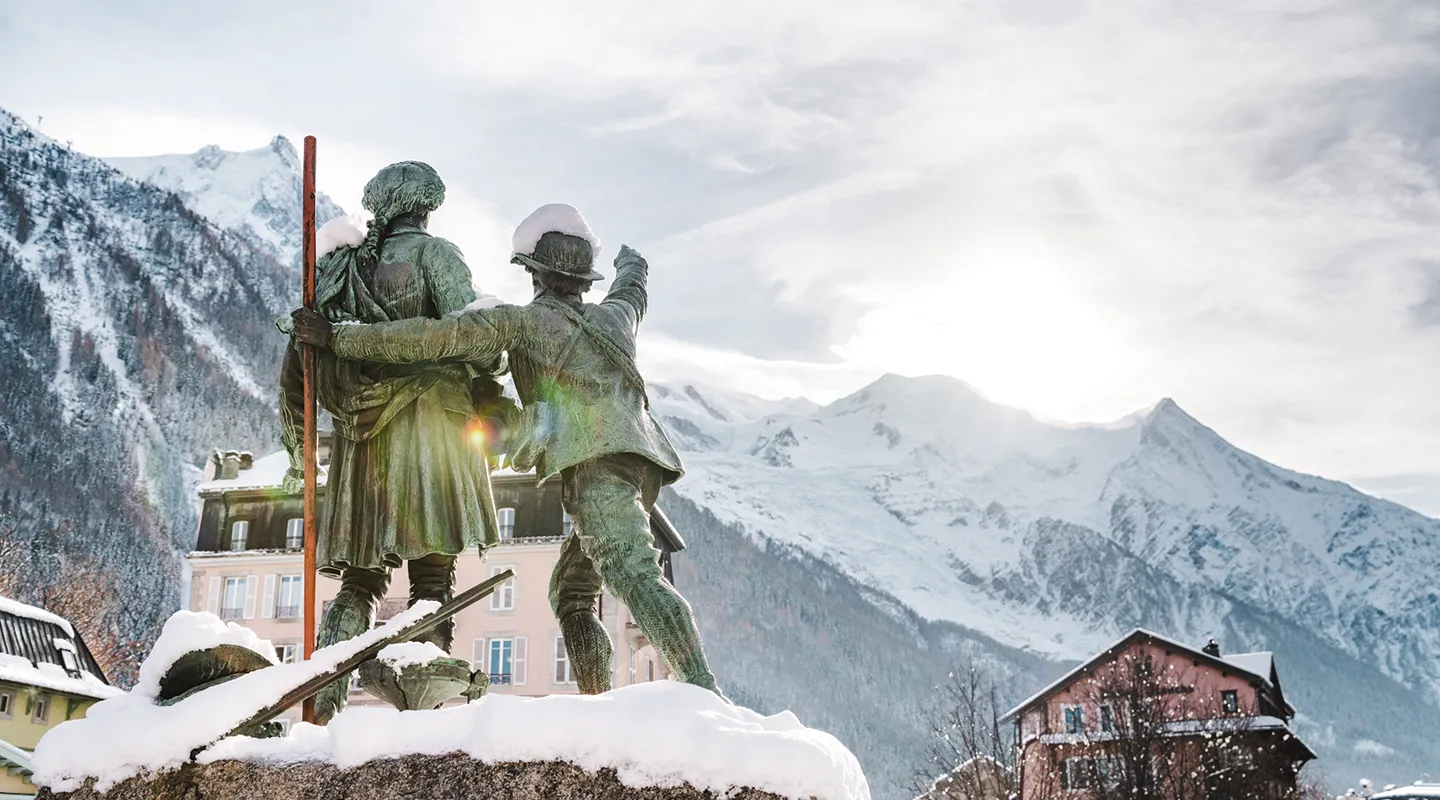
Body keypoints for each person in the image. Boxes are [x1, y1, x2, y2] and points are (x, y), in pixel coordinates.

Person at [289, 204, 723, 698]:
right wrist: (632, 262)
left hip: (595, 464)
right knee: (571, 593)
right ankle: (598, 701)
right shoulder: (616, 318)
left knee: (633, 571)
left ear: (534, 274)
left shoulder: (521, 323)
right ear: (584, 281)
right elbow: (633, 291)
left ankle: (703, 689)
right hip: (644, 461)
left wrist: (339, 337)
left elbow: (430, 338)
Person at [277, 161, 514, 722]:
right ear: (425, 208)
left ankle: (321, 710)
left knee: (359, 583)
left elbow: (300, 363)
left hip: (363, 440)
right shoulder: (437, 256)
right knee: (431, 576)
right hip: (434, 428)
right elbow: (476, 341)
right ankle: (421, 715)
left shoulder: (340, 272)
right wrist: (497, 358)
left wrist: (299, 446)